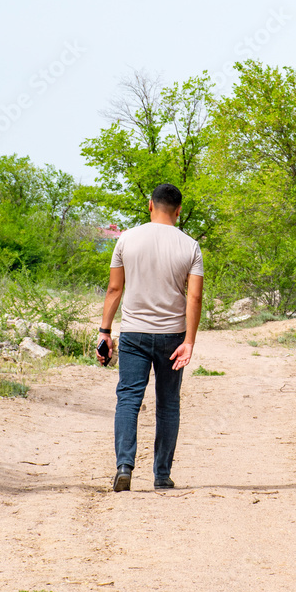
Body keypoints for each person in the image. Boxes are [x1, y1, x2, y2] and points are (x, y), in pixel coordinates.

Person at [98, 183, 204, 492]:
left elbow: (114, 289)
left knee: (129, 399)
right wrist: (190, 342)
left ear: (150, 205)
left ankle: (124, 466)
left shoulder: (127, 239)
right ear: (178, 210)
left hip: (133, 333)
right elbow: (194, 298)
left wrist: (105, 331)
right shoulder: (190, 245)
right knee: (168, 404)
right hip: (173, 336)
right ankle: (161, 474)